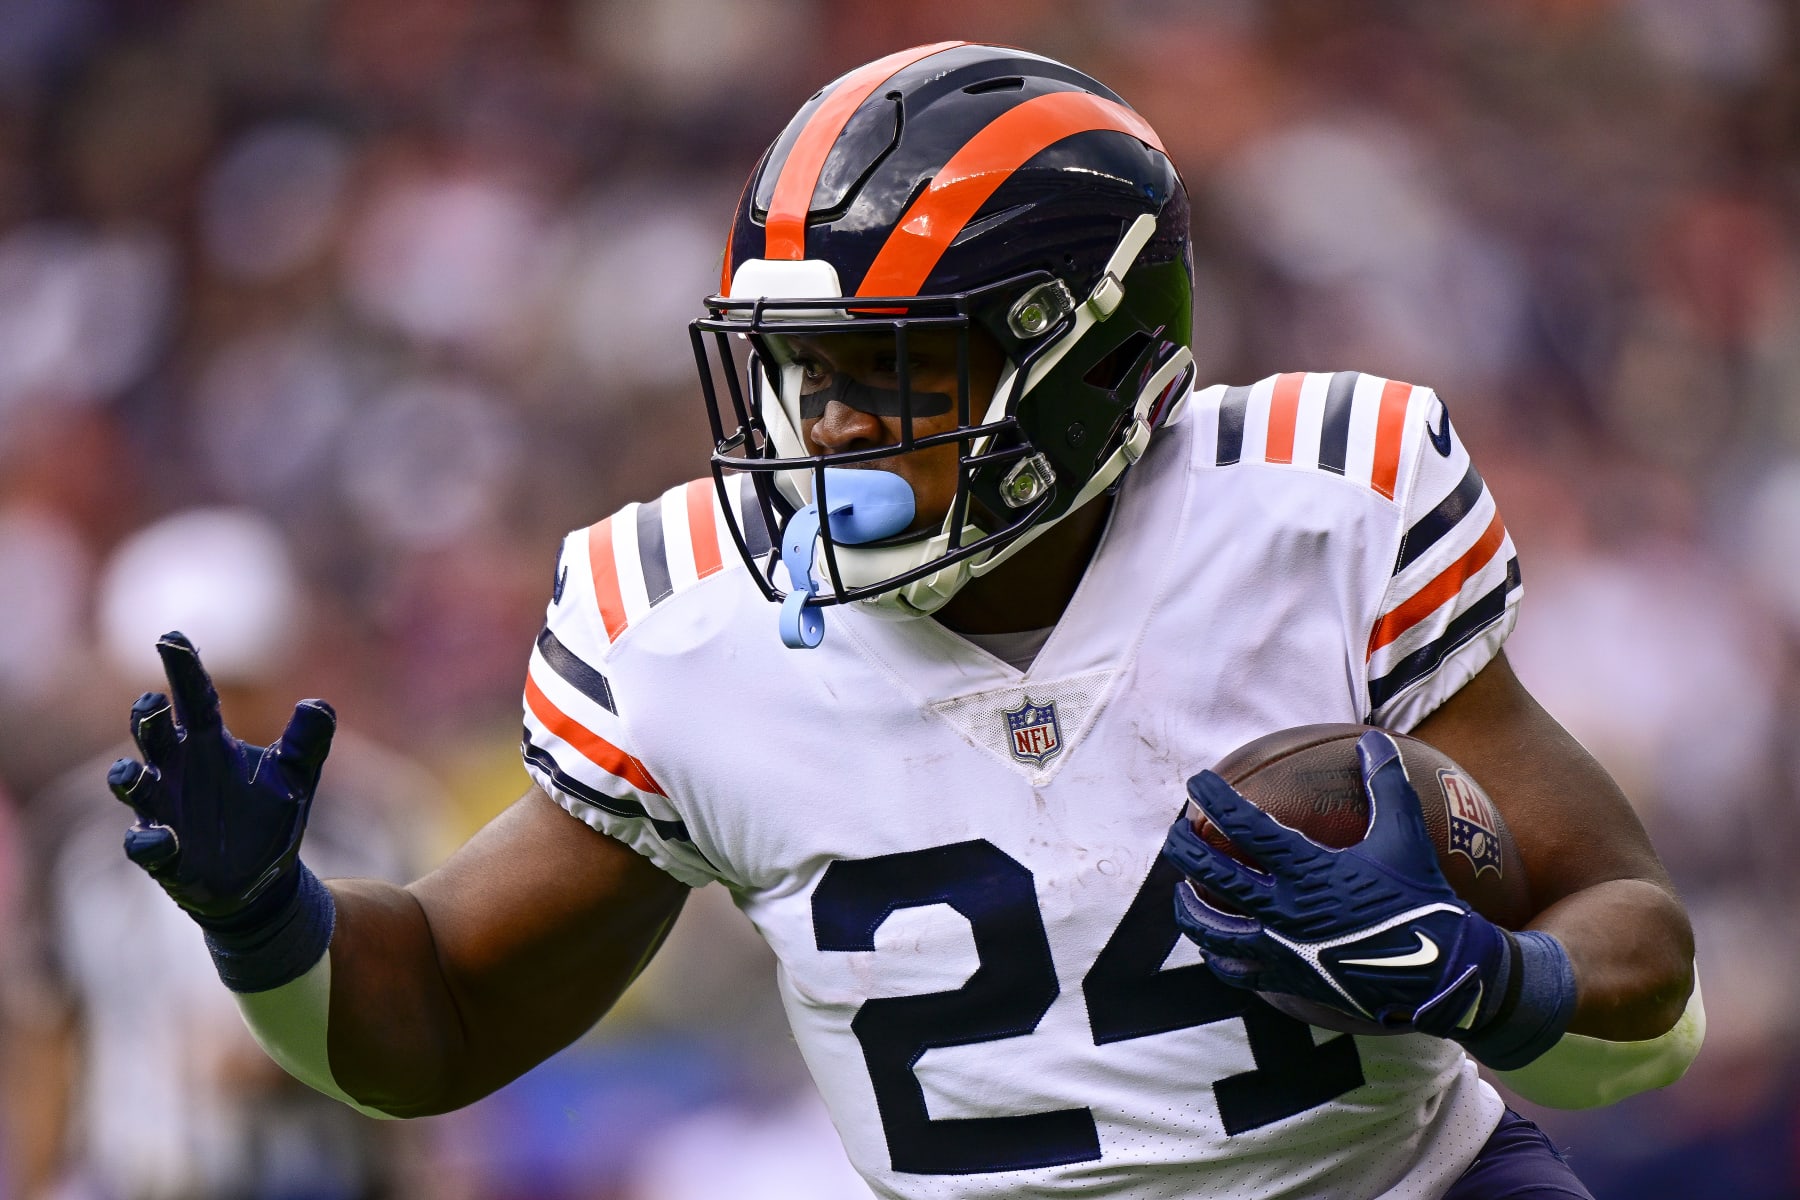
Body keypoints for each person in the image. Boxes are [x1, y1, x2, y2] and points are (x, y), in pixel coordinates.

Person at [106, 43, 1701, 1200]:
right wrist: (271, 921)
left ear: (1084, 364)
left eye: (890, 370)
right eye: (804, 369)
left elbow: (1641, 962)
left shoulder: (1315, 511)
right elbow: (440, 1017)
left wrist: (1489, 980)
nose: (829, 425)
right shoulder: (686, 628)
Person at [20, 509, 444, 1200]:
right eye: (177, 693)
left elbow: (424, 1024)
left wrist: (299, 1050)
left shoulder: (373, 817)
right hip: (138, 1178)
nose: (205, 719)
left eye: (230, 689)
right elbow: (49, 1028)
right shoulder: (73, 831)